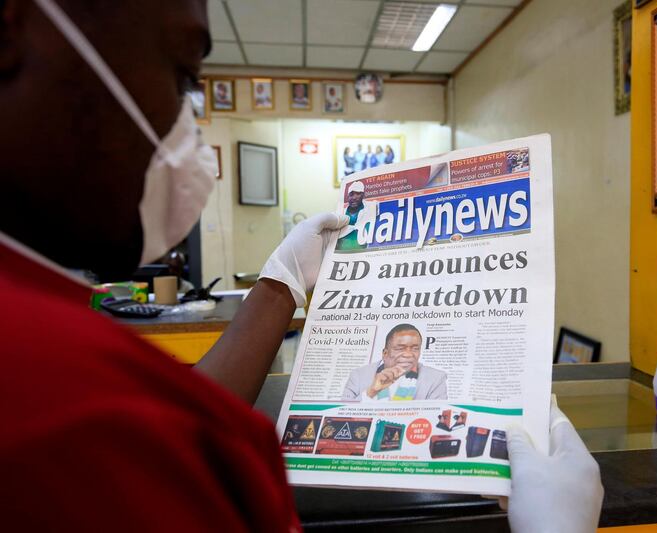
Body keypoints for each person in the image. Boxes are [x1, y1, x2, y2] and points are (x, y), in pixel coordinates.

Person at [0, 0, 603, 531]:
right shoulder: (52, 400)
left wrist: (279, 283)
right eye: (184, 75)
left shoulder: (43, 337)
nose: (192, 137)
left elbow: (177, 422)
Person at [342, 324, 447, 401]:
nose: (408, 354)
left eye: (415, 348)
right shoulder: (358, 376)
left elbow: (434, 419)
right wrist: (371, 392)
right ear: (385, 353)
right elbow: (341, 414)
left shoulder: (436, 379)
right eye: (400, 348)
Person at [336, 181, 376, 251]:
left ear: (363, 195)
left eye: (358, 193)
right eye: (351, 194)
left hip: (364, 252)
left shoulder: (371, 207)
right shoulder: (340, 213)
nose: (354, 197)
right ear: (348, 196)